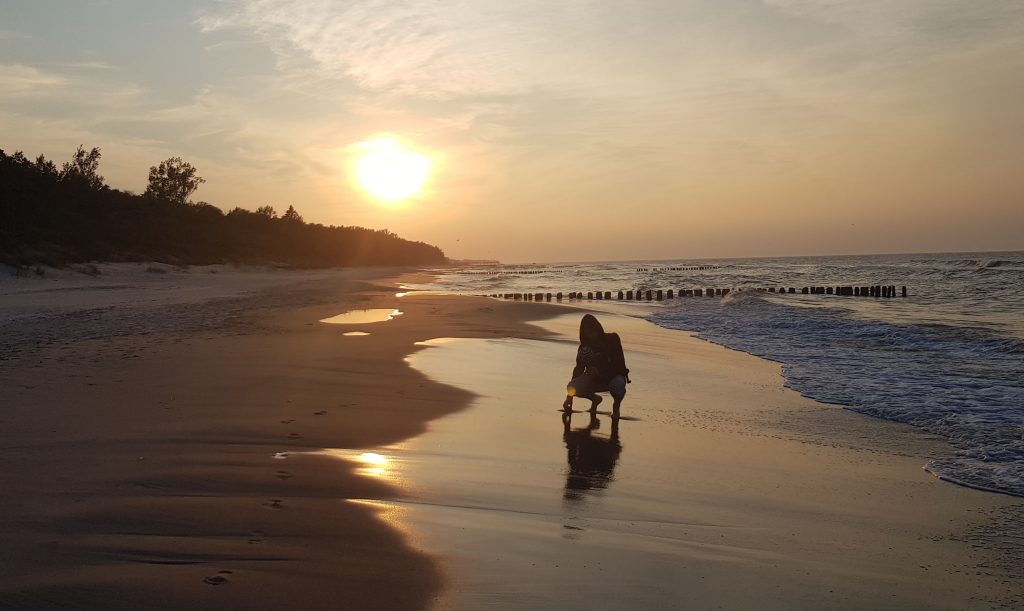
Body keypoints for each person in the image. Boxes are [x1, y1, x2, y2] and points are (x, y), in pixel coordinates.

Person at [562, 314, 629, 414]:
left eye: (592, 330)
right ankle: (595, 399)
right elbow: (578, 370)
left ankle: (616, 405)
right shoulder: (584, 348)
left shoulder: (612, 340)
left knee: (618, 385)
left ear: (598, 328)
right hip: (595, 381)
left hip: (612, 378)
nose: (591, 335)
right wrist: (569, 398)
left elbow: (620, 367)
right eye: (587, 332)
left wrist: (600, 372)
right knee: (572, 386)